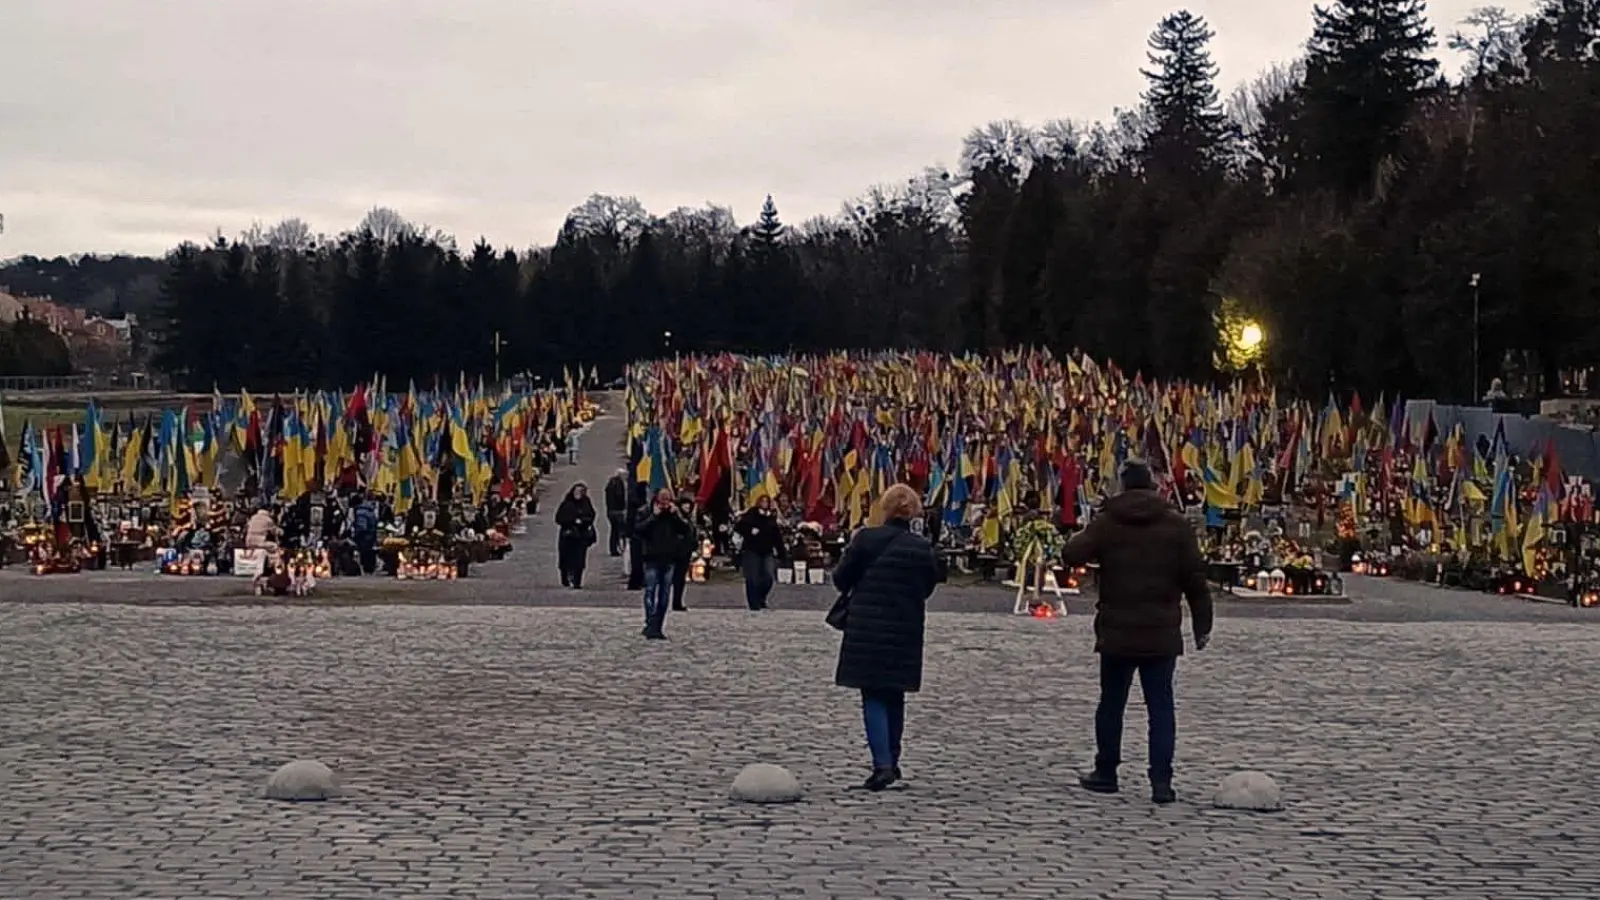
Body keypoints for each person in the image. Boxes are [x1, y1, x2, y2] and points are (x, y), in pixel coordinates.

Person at [1061, 459, 1214, 805]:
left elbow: (1071, 554)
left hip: (1118, 629)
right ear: (1153, 486)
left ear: (1123, 485)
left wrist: (1092, 529)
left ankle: (1106, 772)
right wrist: (1202, 625)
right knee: (1161, 708)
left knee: (1112, 704)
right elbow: (1195, 580)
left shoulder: (1108, 522)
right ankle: (1161, 782)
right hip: (1161, 631)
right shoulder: (1176, 525)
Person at [832, 484, 945, 791]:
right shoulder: (921, 548)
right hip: (905, 626)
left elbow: (841, 579)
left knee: (873, 694)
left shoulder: (865, 539)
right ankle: (892, 761)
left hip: (866, 627)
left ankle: (882, 764)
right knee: (895, 694)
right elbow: (927, 586)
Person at [636, 489, 693, 639]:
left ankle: (658, 625)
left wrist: (675, 516)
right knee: (650, 591)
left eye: (668, 499)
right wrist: (654, 516)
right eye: (663, 499)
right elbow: (639, 530)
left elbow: (685, 530)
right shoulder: (646, 511)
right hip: (651, 557)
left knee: (664, 595)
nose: (665, 503)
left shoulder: (674, 513)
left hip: (669, 558)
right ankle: (650, 623)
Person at [734, 496, 783, 611]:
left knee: (768, 577)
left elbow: (777, 536)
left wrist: (781, 553)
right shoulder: (751, 514)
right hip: (752, 550)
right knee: (753, 578)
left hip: (767, 551)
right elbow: (739, 527)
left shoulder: (771, 518)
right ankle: (753, 603)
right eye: (763, 501)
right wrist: (750, 531)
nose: (765, 503)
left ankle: (761, 597)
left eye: (767, 501)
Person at [555, 482, 598, 588]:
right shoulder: (566, 504)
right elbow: (559, 518)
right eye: (577, 491)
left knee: (579, 560)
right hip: (568, 535)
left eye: (581, 492)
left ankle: (577, 581)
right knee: (565, 559)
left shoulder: (586, 503)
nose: (578, 494)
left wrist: (583, 521)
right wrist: (572, 521)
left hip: (581, 536)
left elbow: (592, 515)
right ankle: (565, 578)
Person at [671, 495, 699, 611]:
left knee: (680, 578)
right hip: (677, 551)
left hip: (686, 551)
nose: (687, 508)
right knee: (676, 578)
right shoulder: (677, 518)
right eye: (685, 506)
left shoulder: (689, 519)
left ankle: (677, 601)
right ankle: (675, 602)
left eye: (689, 507)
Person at [604, 469, 629, 557]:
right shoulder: (618, 484)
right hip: (617, 511)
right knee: (618, 530)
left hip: (610, 510)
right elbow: (619, 496)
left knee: (614, 530)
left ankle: (613, 548)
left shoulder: (610, 484)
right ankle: (618, 548)